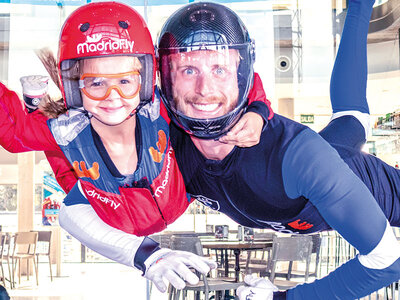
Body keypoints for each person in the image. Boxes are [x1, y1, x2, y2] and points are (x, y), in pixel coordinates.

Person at [0, 1, 273, 292]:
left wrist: (257, 110)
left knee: (210, 140)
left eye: (125, 82)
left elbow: (228, 87)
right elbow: (13, 133)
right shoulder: (68, 128)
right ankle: (35, 104)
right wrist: (148, 256)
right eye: (96, 84)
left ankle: (37, 105)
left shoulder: (158, 108)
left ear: (144, 81)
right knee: (68, 198)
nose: (112, 96)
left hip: (177, 196)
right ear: (74, 86)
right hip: (106, 208)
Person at [156, 0, 400, 299]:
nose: (204, 89)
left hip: (361, 182)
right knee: (350, 118)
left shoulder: (300, 157)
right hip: (319, 159)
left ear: (238, 74)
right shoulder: (166, 139)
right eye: (188, 69)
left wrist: (284, 298)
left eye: (219, 69)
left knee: (352, 119)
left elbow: (385, 262)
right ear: (166, 78)